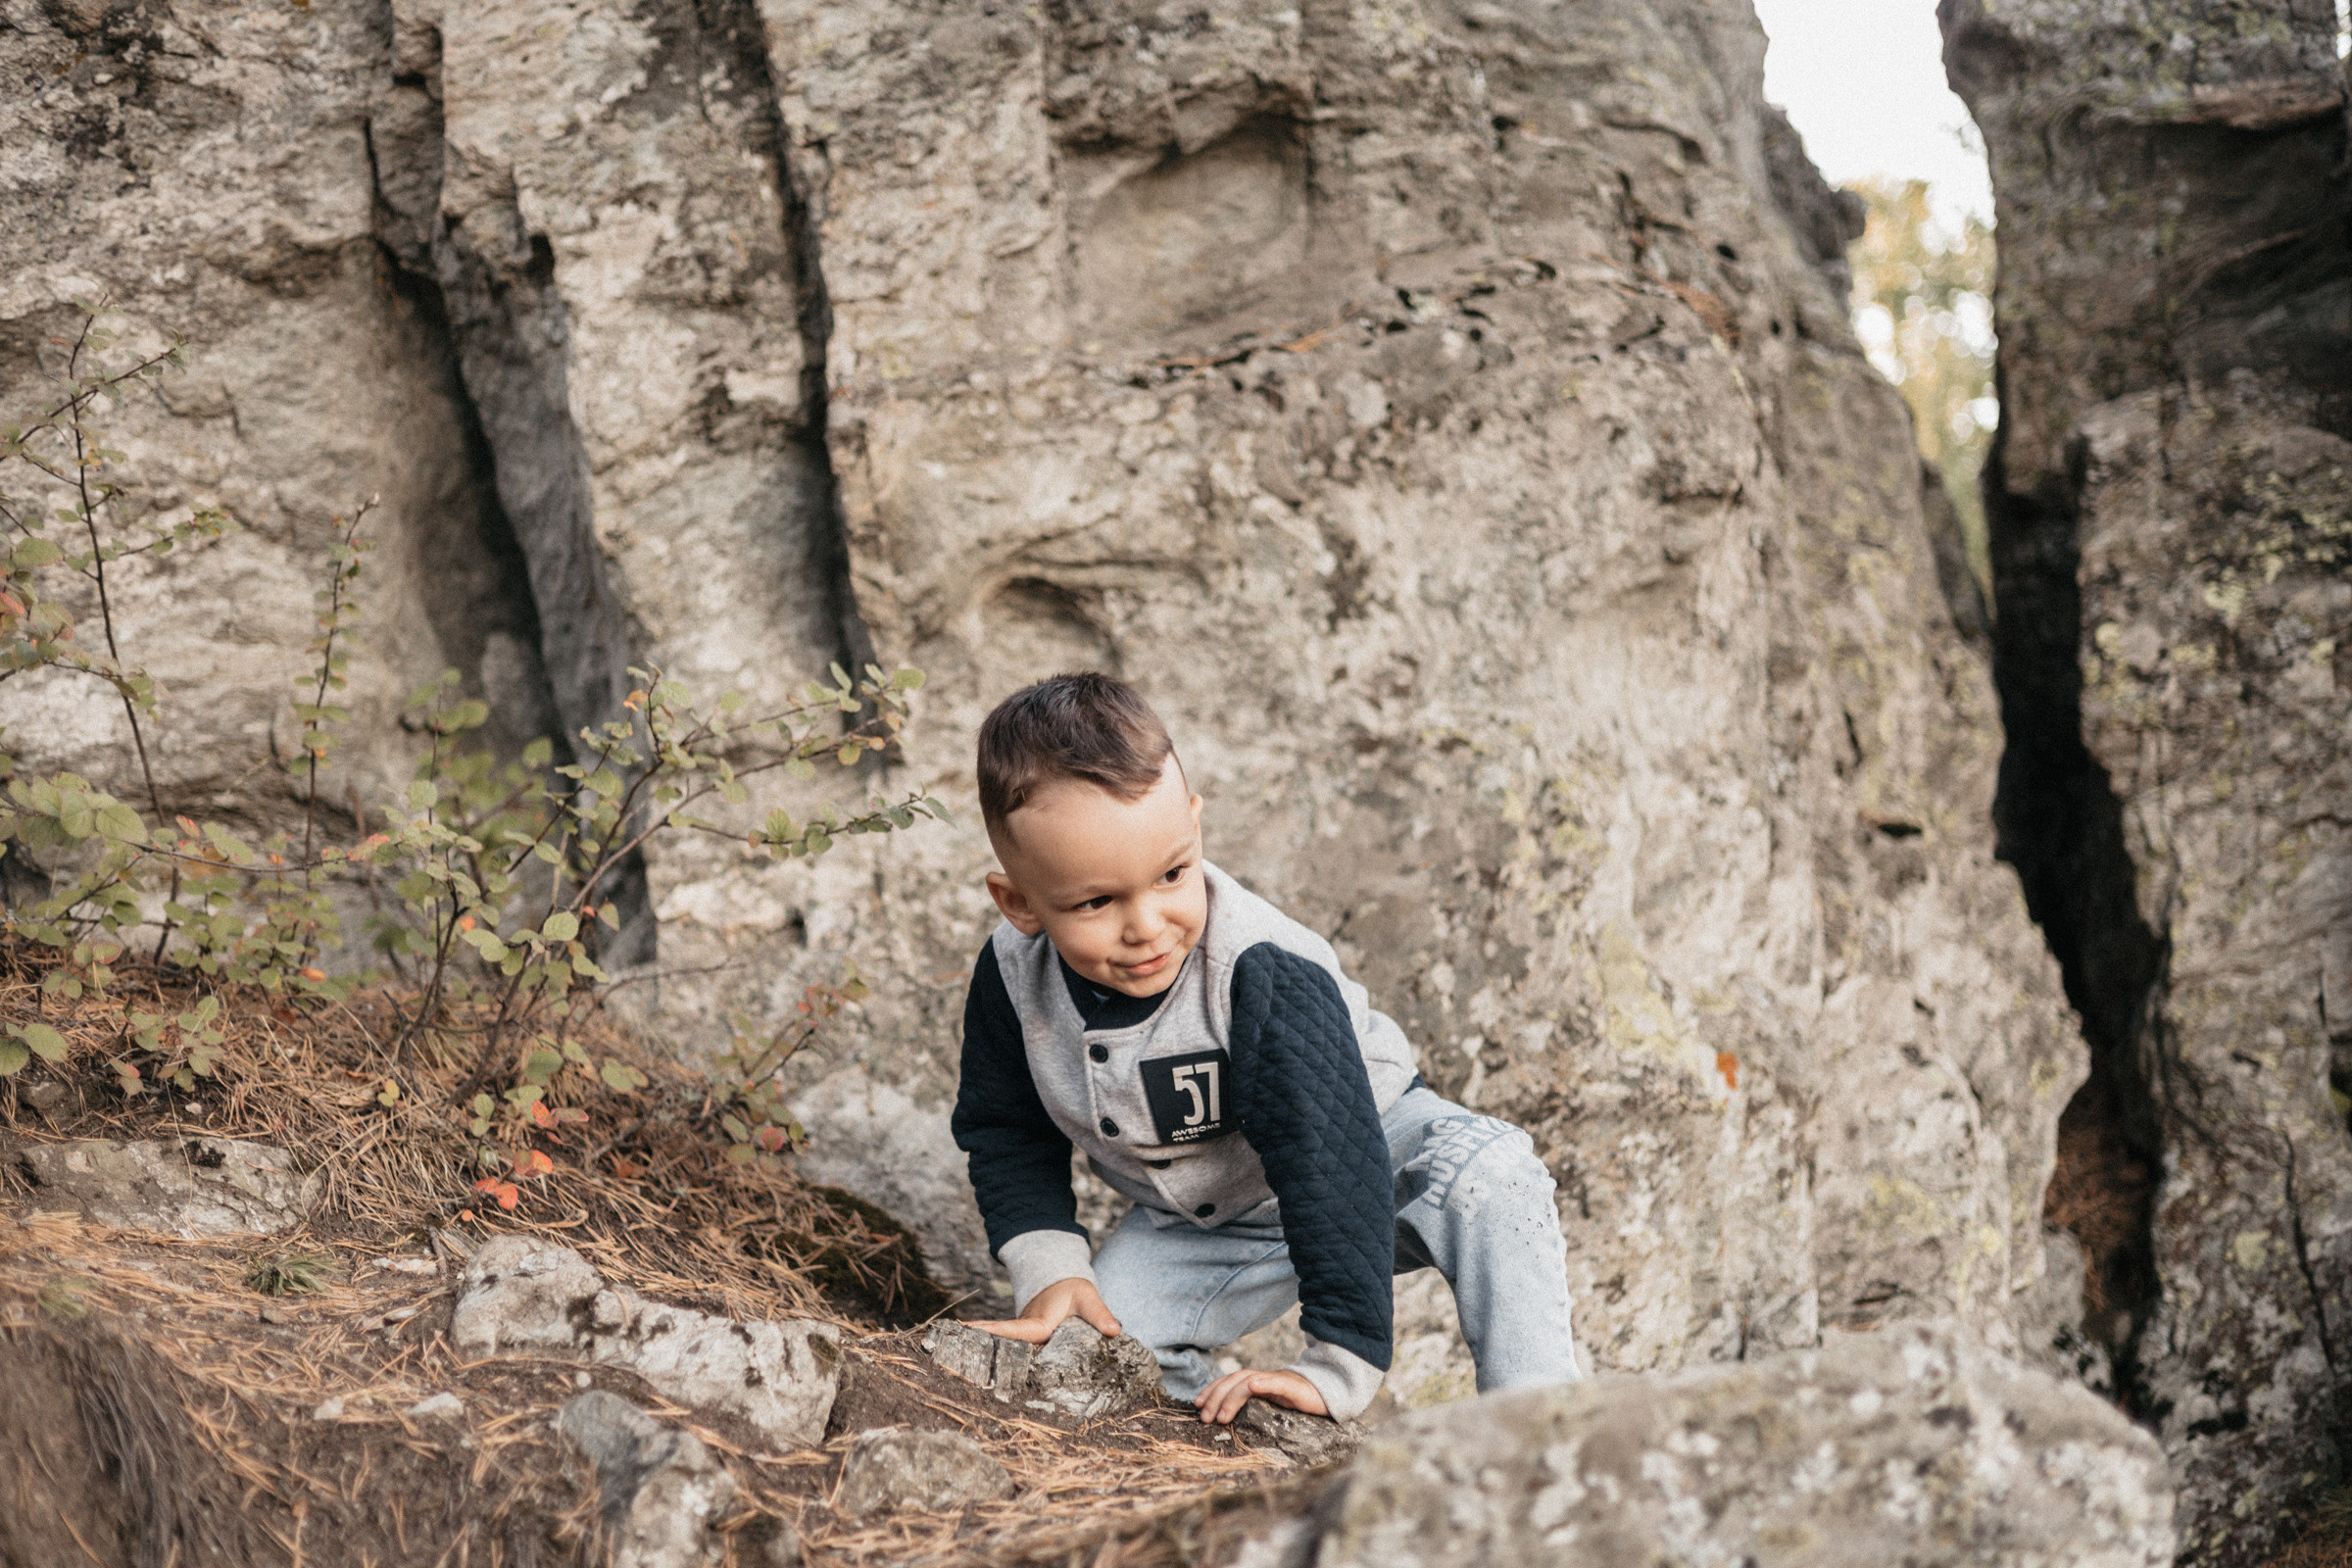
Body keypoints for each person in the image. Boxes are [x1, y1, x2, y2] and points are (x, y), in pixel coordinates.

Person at [950, 672, 1583, 1425]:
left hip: (1368, 1155)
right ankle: (1215, 1435)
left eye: (1172, 874)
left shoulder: (1261, 968)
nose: (1147, 924)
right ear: (1019, 902)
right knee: (1084, 1355)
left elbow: (1325, 1154)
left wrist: (1339, 1363)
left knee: (1494, 1176)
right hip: (1213, 1219)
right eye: (1096, 902)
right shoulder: (1014, 976)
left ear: (1194, 824)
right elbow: (1006, 1127)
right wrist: (1050, 1271)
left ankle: (1539, 1432)